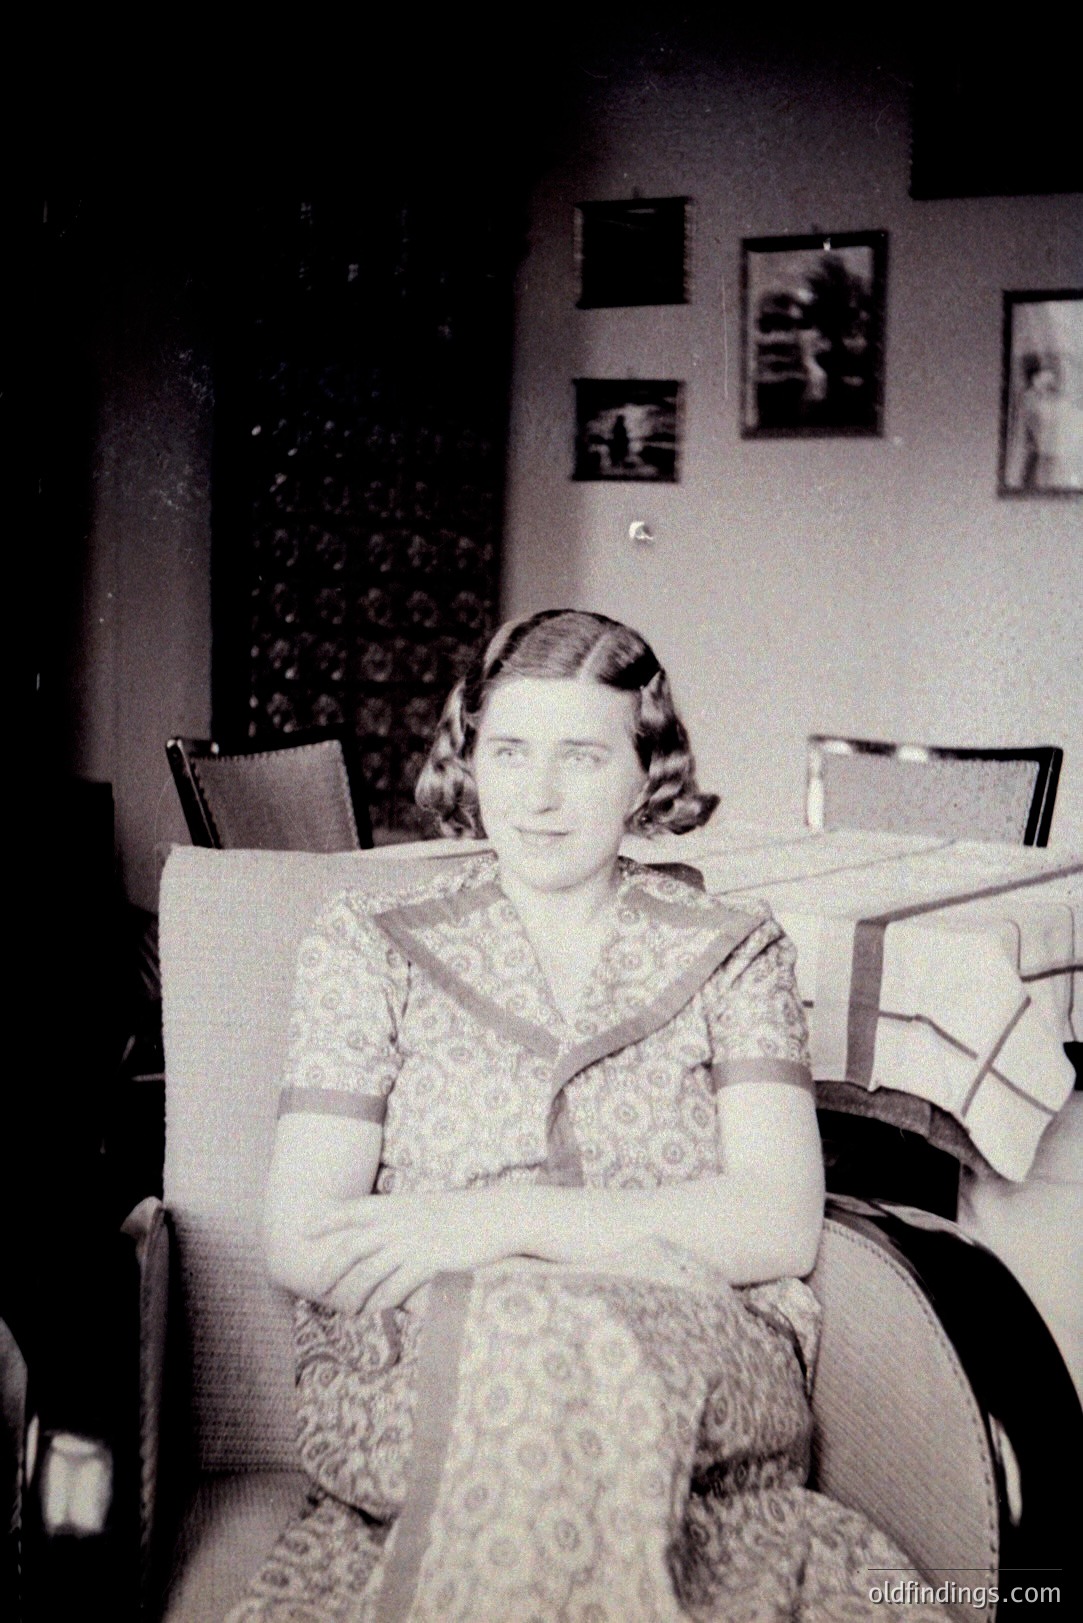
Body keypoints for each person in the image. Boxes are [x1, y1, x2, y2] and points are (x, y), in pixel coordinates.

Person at [233, 610, 947, 1621]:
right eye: (510, 750)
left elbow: (779, 1222)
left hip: (697, 1372)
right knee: (532, 1341)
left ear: (644, 773)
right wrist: (627, 1249)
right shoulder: (368, 943)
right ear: (468, 759)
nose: (539, 794)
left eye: (583, 754)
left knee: (564, 1341)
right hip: (426, 1371)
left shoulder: (736, 947)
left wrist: (496, 1224)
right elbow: (304, 1238)